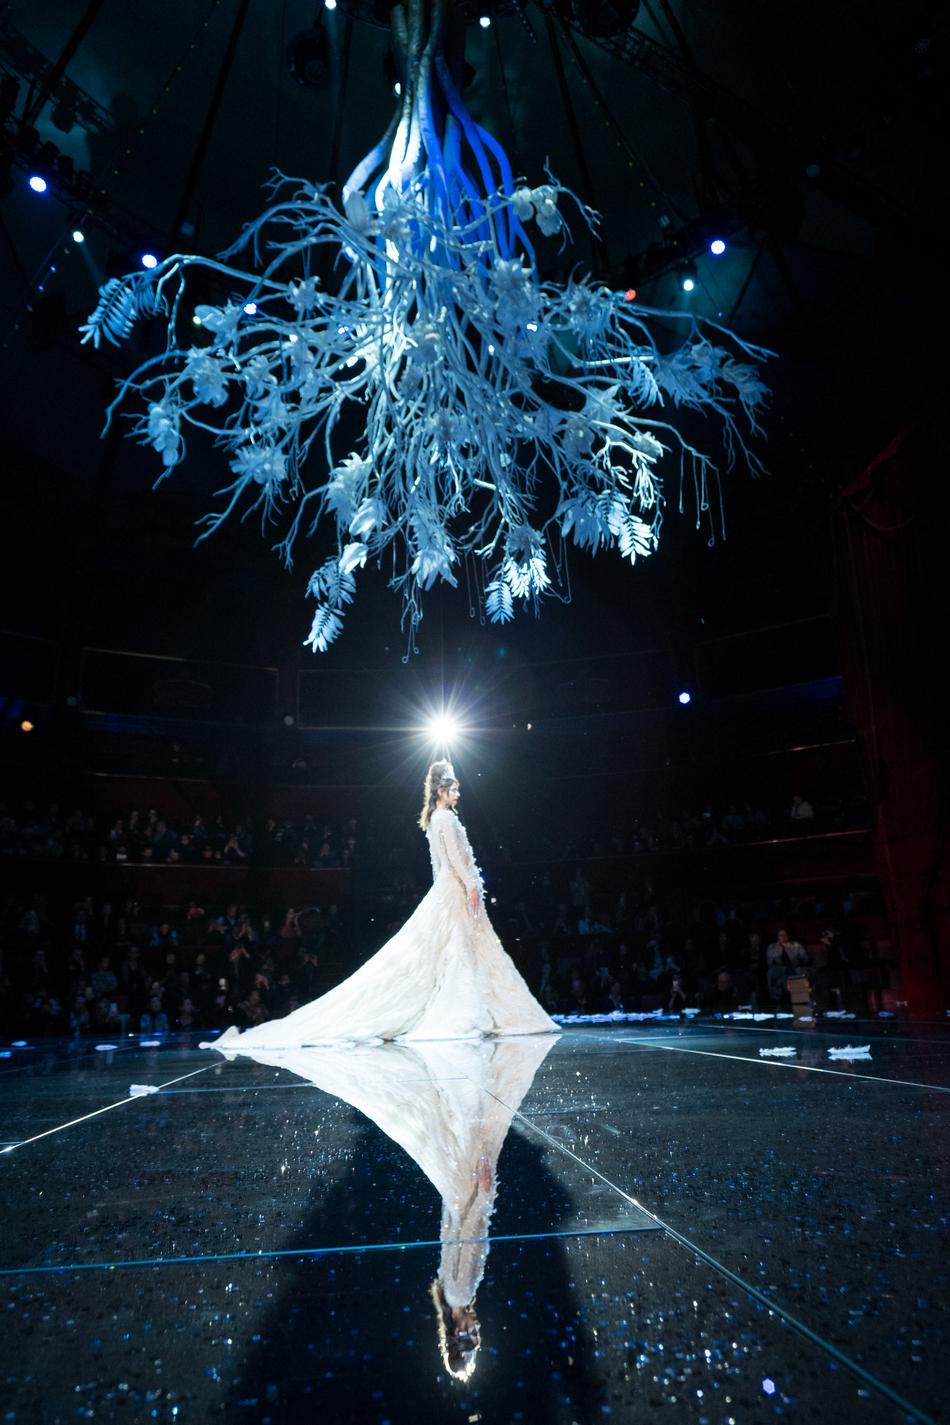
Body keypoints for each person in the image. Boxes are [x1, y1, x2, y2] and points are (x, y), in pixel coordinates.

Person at [202, 761, 557, 1049]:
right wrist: (471, 886)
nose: (459, 793)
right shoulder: (445, 818)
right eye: (454, 788)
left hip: (447, 890)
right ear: (440, 790)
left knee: (457, 953)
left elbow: (439, 865)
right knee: (459, 952)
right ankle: (464, 1011)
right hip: (456, 890)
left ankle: (474, 1008)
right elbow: (456, 859)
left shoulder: (435, 819)